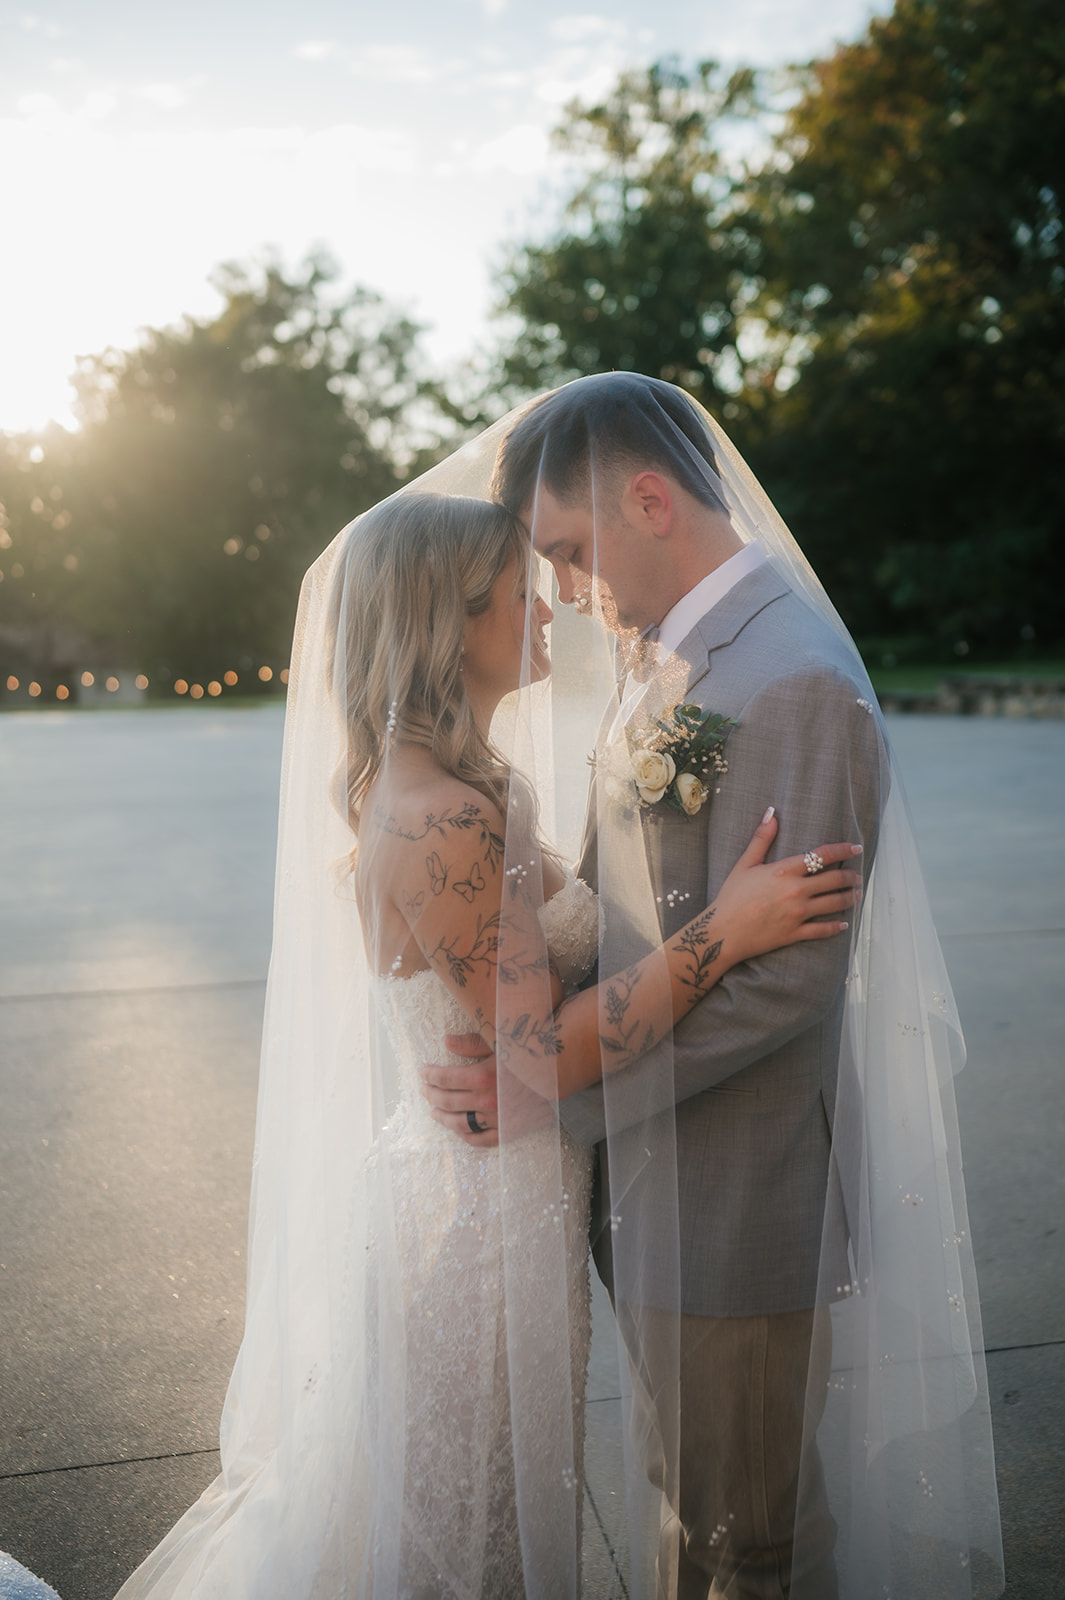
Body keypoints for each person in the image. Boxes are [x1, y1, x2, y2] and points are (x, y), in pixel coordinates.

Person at [111, 488, 858, 1600]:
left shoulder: (459, 792)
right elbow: (542, 1059)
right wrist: (728, 929)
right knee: (459, 1544)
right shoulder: (444, 818)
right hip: (469, 1234)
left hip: (496, 1201)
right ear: (453, 619)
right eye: (524, 588)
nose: (553, 606)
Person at [420, 374, 1004, 1599]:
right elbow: (632, 887)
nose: (568, 593)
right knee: (698, 1510)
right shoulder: (673, 654)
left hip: (732, 1200)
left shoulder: (787, 678)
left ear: (648, 499)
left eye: (572, 554)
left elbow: (781, 989)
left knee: (754, 1540)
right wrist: (519, 1004)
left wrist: (558, 1087)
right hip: (649, 1185)